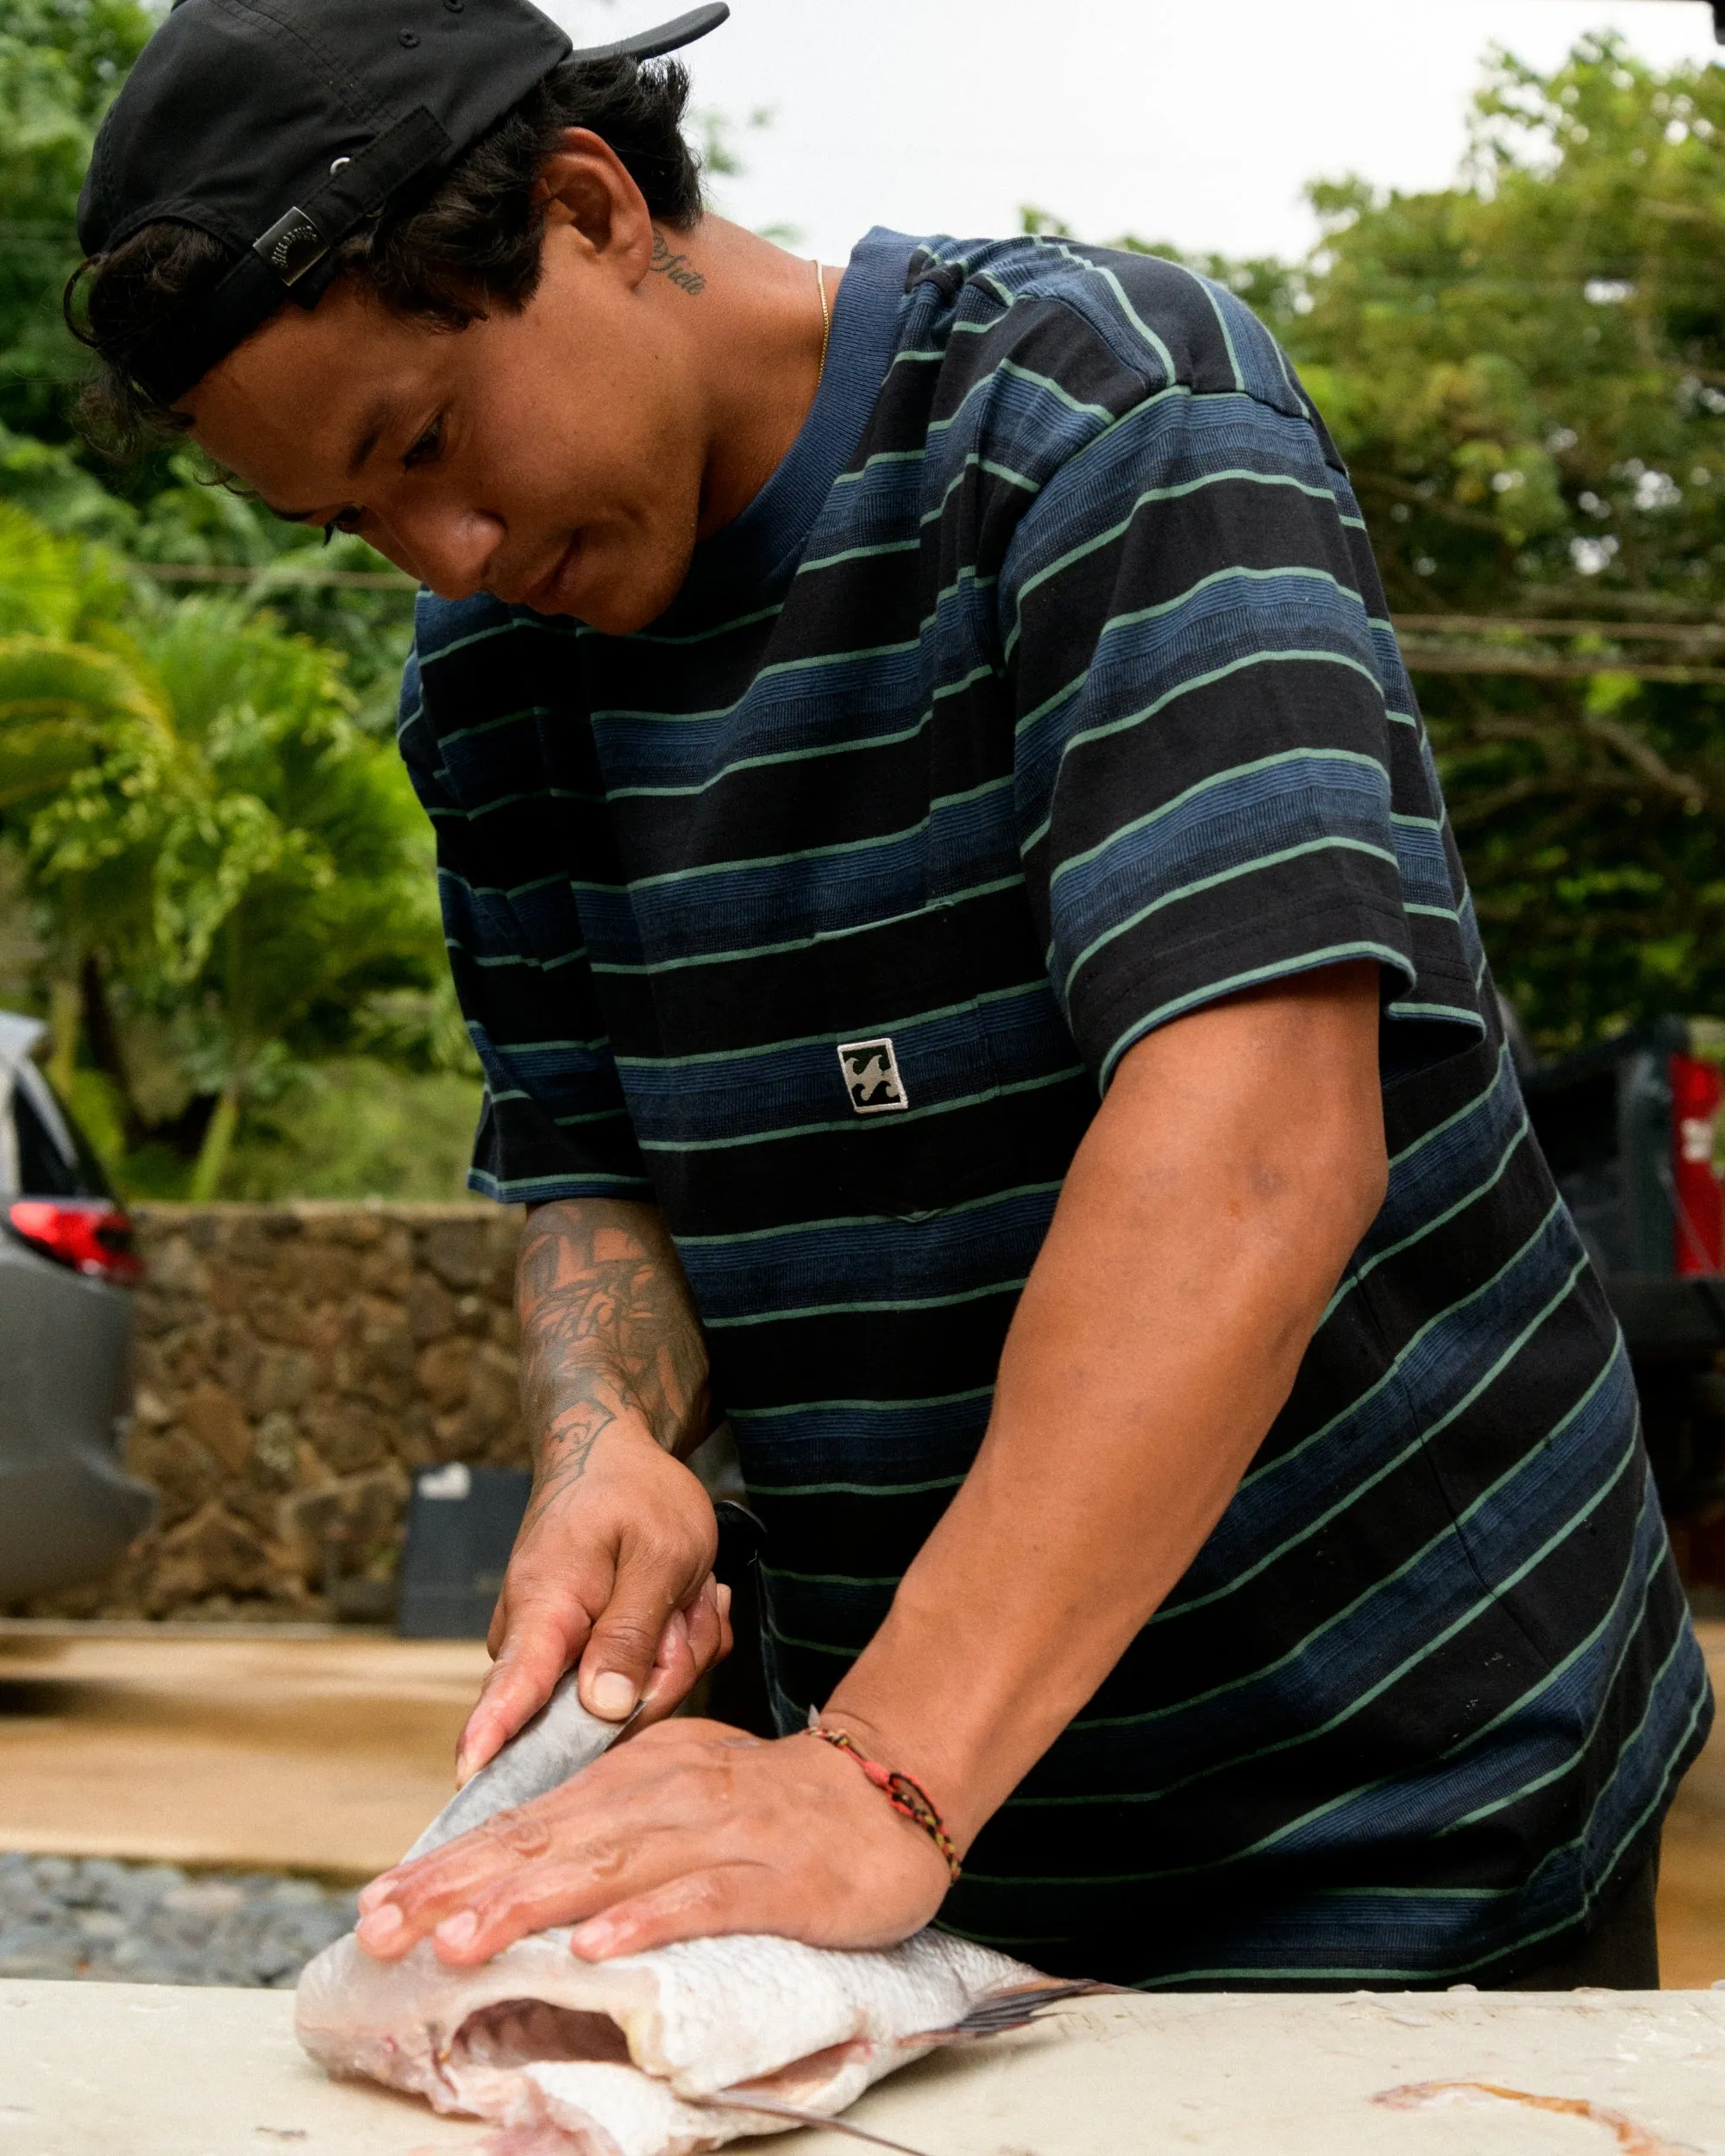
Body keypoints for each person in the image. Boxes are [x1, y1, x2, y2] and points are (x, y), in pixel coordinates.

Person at [72, 0, 1711, 1991]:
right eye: (355, 523)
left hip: (1397, 1791)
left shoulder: (1095, 419)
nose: (451, 553)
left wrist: (876, 1771)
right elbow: (590, 1164)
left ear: (590, 205)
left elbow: (1257, 1145)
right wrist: (606, 1436)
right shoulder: (492, 687)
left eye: (425, 444)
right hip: (931, 1845)